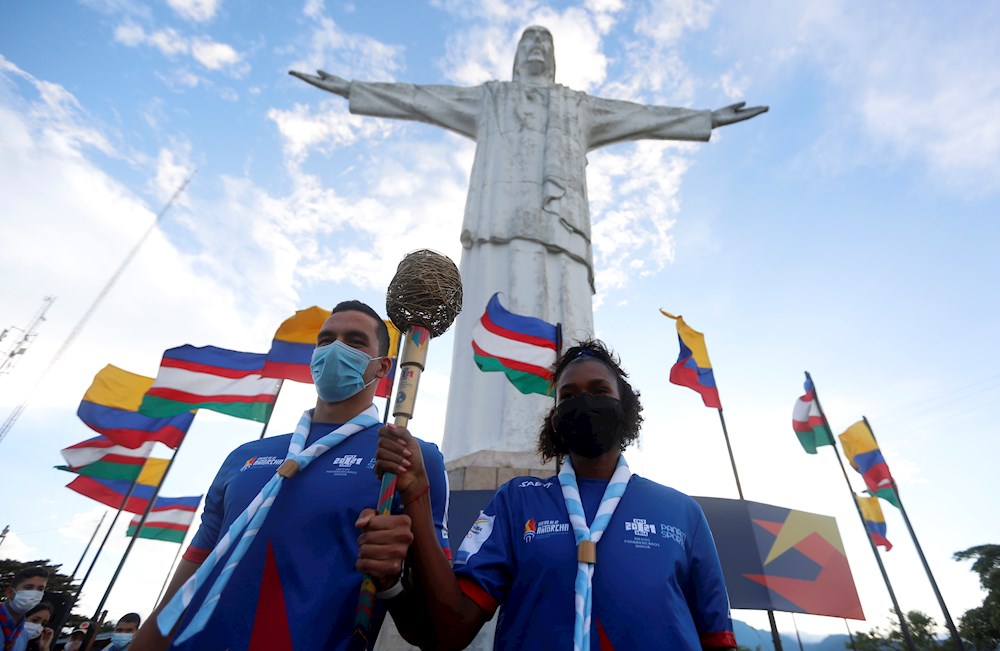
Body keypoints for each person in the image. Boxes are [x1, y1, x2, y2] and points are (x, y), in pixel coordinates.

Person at [292, 26, 768, 462]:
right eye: (529, 43)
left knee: (566, 317)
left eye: (546, 44)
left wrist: (705, 118)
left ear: (555, 59)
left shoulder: (576, 105)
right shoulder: (492, 99)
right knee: (489, 315)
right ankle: (479, 444)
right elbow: (423, 100)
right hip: (495, 224)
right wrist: (355, 90)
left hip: (562, 231)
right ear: (517, 55)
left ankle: (566, 444)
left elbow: (639, 118)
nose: (537, 50)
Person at [363, 339, 737, 649]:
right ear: (554, 419)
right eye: (568, 396)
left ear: (626, 407)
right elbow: (451, 628)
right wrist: (417, 494)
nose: (583, 402)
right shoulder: (518, 501)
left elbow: (718, 640)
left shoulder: (681, 511)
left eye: (599, 391)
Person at [131, 300, 450, 650]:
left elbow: (438, 628)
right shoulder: (244, 456)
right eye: (325, 340)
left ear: (382, 367)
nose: (334, 350)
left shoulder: (410, 459)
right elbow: (191, 575)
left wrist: (392, 583)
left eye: (354, 341)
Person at [0, 567, 48, 651]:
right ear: (10, 593)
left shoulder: (23, 635)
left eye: (40, 589)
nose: (34, 594)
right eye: (29, 587)